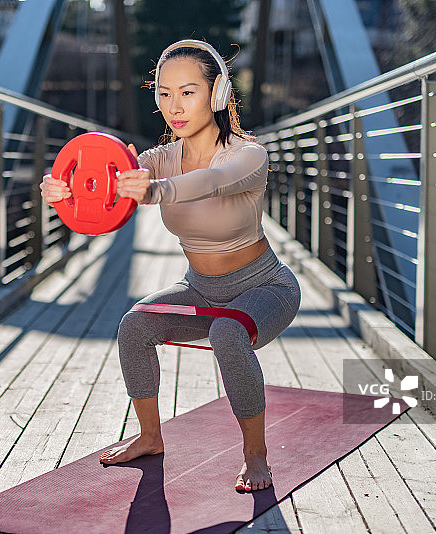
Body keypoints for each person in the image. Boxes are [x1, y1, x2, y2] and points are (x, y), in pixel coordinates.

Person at [40, 39, 301, 492]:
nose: (174, 106)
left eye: (188, 91)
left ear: (217, 93)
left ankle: (256, 455)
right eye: (164, 93)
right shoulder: (158, 159)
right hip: (200, 288)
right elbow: (110, 185)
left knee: (227, 332)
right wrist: (63, 192)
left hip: (265, 287)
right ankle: (150, 437)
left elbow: (209, 182)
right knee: (134, 326)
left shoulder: (247, 156)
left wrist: (155, 190)